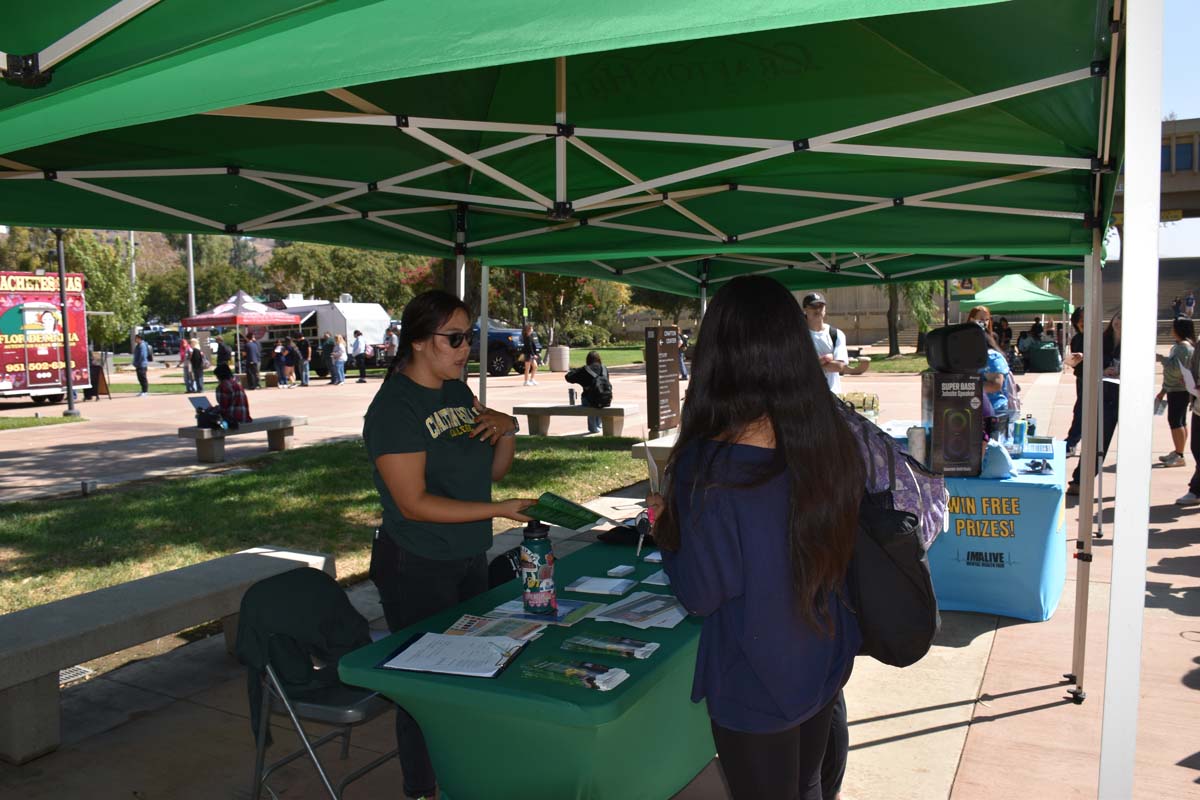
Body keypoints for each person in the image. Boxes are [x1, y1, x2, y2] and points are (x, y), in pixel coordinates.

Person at [652, 275, 864, 800]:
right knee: (808, 784)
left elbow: (699, 594)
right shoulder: (829, 440)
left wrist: (664, 527)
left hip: (755, 680)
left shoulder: (711, 467)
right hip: (823, 654)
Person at [363, 289, 534, 800]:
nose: (466, 349)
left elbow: (492, 471)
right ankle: (422, 790)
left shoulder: (458, 395)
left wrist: (508, 430)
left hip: (465, 557)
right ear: (418, 341)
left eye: (469, 337)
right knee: (425, 689)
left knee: (473, 671)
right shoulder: (394, 409)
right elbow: (412, 502)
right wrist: (500, 511)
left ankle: (466, 774)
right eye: (454, 338)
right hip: (416, 564)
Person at [1068, 312, 1121, 497]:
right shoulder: (1101, 340)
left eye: (1124, 318)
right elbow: (1086, 367)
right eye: (1118, 317)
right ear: (1112, 319)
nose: (1119, 322)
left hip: (1125, 398)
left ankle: (1132, 484)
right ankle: (1080, 480)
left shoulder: (1132, 344)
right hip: (1102, 396)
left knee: (1131, 444)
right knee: (1096, 441)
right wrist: (1100, 368)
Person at [967, 306, 1015, 434]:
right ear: (971, 320)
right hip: (974, 410)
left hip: (994, 412)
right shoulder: (967, 353)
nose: (984, 322)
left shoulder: (992, 357)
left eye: (986, 319)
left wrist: (966, 387)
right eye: (980, 319)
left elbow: (995, 385)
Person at [1155, 317, 1195, 468]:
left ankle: (1179, 454)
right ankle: (1179, 452)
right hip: (1177, 389)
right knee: (1180, 421)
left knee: (1175, 421)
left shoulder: (1183, 348)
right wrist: (1163, 390)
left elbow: (1175, 370)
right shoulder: (1182, 346)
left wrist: (1161, 359)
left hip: (1179, 390)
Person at [802, 292, 847, 393]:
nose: (817, 310)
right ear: (805, 309)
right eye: (813, 306)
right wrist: (825, 359)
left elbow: (839, 366)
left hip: (832, 395)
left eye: (821, 306)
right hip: (806, 395)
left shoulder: (836, 334)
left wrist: (812, 365)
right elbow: (797, 367)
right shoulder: (799, 335)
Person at [565, 351, 612, 434]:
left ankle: (593, 428)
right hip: (605, 399)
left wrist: (576, 369)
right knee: (598, 399)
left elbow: (568, 377)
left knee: (589, 399)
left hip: (589, 400)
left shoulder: (585, 370)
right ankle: (599, 425)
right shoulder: (604, 368)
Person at [1064, 307, 1086, 457]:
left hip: (1098, 379)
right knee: (1080, 410)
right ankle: (1072, 441)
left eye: (1085, 319)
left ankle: (1072, 441)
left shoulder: (1101, 336)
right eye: (1080, 320)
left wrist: (1085, 355)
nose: (1082, 322)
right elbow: (1074, 361)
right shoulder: (1077, 339)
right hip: (1082, 378)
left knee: (1082, 411)